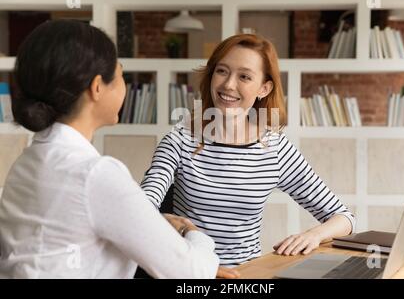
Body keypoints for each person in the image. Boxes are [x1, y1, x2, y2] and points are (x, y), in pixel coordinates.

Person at [0, 20, 219, 278]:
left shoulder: (28, 161)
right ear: (97, 88)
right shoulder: (96, 174)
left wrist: (153, 224)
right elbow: (191, 272)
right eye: (120, 74)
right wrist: (190, 231)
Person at [141, 34, 356, 268]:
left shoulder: (275, 149)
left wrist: (312, 236)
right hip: (190, 274)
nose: (228, 85)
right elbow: (141, 207)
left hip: (247, 276)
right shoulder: (179, 141)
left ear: (264, 88)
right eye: (222, 71)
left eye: (244, 76)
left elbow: (344, 218)